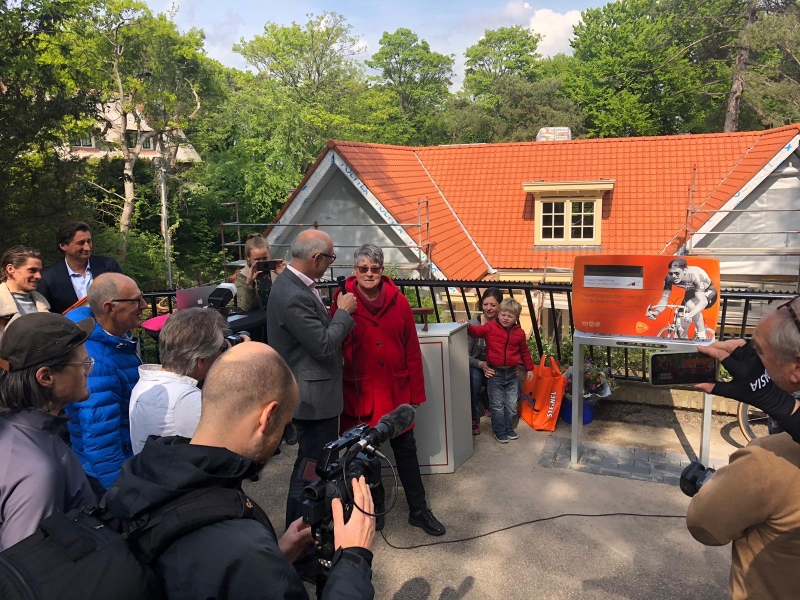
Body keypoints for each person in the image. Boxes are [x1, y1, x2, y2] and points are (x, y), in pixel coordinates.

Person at [104, 342, 376, 600]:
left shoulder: (138, 476)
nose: (283, 435)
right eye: (285, 425)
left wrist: (277, 558)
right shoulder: (246, 551)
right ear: (268, 417)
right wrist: (353, 560)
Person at [686, 298, 800, 599]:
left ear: (796, 368)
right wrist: (776, 400)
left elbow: (704, 525)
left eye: (758, 351)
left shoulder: (769, 459)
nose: (747, 358)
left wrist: (772, 399)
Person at [331, 244, 445, 537]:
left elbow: (411, 349)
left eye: (375, 269)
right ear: (354, 271)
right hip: (359, 392)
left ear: (382, 271)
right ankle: (375, 507)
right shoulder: (343, 301)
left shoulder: (400, 302)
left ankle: (418, 510)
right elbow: (331, 344)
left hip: (396, 393)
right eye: (363, 268)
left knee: (406, 452)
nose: (369, 274)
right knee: (364, 457)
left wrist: (415, 395)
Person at [267, 229, 357, 532]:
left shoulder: (296, 285)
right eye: (330, 258)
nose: (330, 264)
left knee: (312, 464)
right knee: (310, 468)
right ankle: (299, 537)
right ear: (317, 258)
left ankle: (304, 531)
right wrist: (343, 313)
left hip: (313, 394)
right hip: (312, 400)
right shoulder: (292, 293)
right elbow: (323, 345)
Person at [0, 312, 96, 550]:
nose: (88, 370)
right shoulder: (36, 471)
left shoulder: (21, 428)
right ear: (46, 377)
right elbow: (28, 571)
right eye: (83, 363)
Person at [64, 273, 144, 495]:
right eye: (136, 300)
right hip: (109, 478)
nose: (145, 305)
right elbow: (100, 442)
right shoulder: (97, 363)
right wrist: (124, 494)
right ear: (110, 308)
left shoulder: (115, 339)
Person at [129, 308, 231, 454]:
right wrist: (233, 365)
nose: (225, 351)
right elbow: (238, 445)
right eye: (222, 347)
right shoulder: (188, 401)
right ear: (201, 360)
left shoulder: (145, 383)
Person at [234, 233, 296, 446]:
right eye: (257, 260)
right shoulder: (243, 276)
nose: (261, 263)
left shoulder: (277, 272)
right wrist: (250, 282)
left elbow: (292, 298)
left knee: (283, 376)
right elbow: (244, 307)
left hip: (279, 329)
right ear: (248, 260)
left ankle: (287, 424)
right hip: (259, 332)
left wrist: (285, 274)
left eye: (264, 258)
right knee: (264, 380)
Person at [465, 298, 534, 443]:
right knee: (496, 405)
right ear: (499, 314)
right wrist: (467, 326)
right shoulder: (490, 327)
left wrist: (529, 369)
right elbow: (477, 331)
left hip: (511, 373)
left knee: (511, 404)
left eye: (510, 316)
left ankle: (508, 428)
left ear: (516, 317)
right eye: (503, 314)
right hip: (495, 373)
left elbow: (524, 352)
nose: (505, 318)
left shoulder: (519, 333)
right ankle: (499, 430)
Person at [37, 220, 123, 314]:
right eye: (81, 243)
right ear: (63, 246)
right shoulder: (48, 279)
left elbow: (124, 297)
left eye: (89, 242)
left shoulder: (108, 266)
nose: (87, 247)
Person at [646, 258, 718, 340]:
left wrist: (691, 314)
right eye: (671, 273)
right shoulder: (669, 278)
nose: (674, 276)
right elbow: (664, 299)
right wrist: (657, 312)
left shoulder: (695, 276)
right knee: (680, 325)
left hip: (708, 292)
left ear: (685, 270)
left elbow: (703, 302)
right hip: (691, 292)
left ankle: (702, 335)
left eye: (677, 273)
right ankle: (685, 346)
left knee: (690, 304)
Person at [468, 288, 503, 435]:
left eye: (493, 305)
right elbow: (463, 355)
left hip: (494, 365)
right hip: (475, 365)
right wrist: (480, 364)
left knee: (516, 392)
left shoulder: (504, 323)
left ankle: (487, 399)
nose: (488, 308)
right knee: (474, 380)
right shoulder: (473, 325)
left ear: (500, 306)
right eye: (485, 304)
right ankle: (473, 417)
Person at [0, 246, 50, 340]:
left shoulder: (42, 303)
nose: (39, 276)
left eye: (39, 271)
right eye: (32, 270)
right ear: (10, 269)